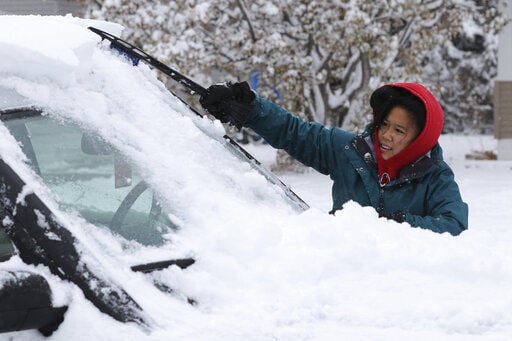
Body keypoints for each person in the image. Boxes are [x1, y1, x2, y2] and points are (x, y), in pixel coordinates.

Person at [199, 81, 468, 236]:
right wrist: (250, 108)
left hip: (398, 288)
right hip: (337, 281)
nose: (386, 135)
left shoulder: (436, 176)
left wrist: (395, 224)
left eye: (399, 130)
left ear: (420, 136)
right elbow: (294, 133)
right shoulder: (351, 151)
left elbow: (454, 225)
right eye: (384, 124)